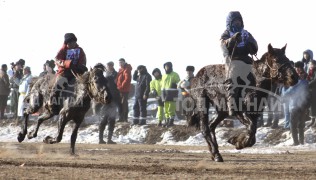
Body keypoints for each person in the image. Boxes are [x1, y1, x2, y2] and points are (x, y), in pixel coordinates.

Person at [220, 11, 258, 116]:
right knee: (232, 79)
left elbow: (254, 43)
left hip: (246, 59)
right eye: (235, 21)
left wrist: (252, 45)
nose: (238, 23)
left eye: (239, 21)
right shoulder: (227, 33)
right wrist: (232, 40)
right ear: (230, 23)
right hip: (233, 59)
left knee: (256, 75)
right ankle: (231, 104)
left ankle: (254, 101)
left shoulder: (246, 33)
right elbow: (222, 44)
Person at [50, 33, 87, 115]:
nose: (71, 44)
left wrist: (80, 67)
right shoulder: (62, 50)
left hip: (76, 72)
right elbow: (57, 60)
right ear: (66, 43)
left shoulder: (80, 50)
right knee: (56, 88)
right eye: (69, 43)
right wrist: (67, 63)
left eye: (73, 42)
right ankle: (54, 107)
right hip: (64, 73)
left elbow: (83, 60)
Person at [282, 61, 310, 145]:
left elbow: (295, 89)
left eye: (298, 68)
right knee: (296, 125)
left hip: (299, 104)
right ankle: (297, 142)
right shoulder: (294, 77)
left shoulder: (303, 79)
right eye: (296, 68)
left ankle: (299, 142)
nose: (297, 69)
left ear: (302, 68)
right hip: (297, 104)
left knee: (298, 125)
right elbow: (287, 92)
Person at [93, 63, 120, 144]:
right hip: (107, 103)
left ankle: (103, 139)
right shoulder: (105, 80)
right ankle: (106, 139)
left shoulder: (101, 80)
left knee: (105, 121)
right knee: (108, 120)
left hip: (106, 103)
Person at [161, 62, 180, 127]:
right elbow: (162, 85)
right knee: (165, 108)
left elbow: (179, 83)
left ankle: (171, 122)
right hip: (164, 93)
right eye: (165, 67)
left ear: (171, 67)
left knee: (171, 108)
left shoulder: (175, 74)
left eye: (168, 66)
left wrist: (175, 84)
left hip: (172, 93)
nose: (167, 68)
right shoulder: (163, 76)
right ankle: (167, 121)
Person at [116, 58, 132, 122]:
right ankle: (121, 118)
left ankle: (125, 118)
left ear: (124, 62)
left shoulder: (127, 69)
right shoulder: (120, 69)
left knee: (124, 103)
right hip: (119, 89)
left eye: (121, 62)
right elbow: (118, 79)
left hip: (124, 89)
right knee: (120, 104)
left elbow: (127, 79)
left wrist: (121, 86)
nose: (120, 64)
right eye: (119, 63)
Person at [306, 60, 316, 127]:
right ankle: (312, 120)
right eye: (309, 64)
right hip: (310, 90)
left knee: (314, 105)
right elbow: (307, 78)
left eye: (311, 64)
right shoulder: (309, 71)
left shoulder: (315, 71)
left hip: (314, 89)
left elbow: (315, 80)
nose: (310, 65)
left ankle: (314, 121)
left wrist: (308, 84)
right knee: (311, 106)